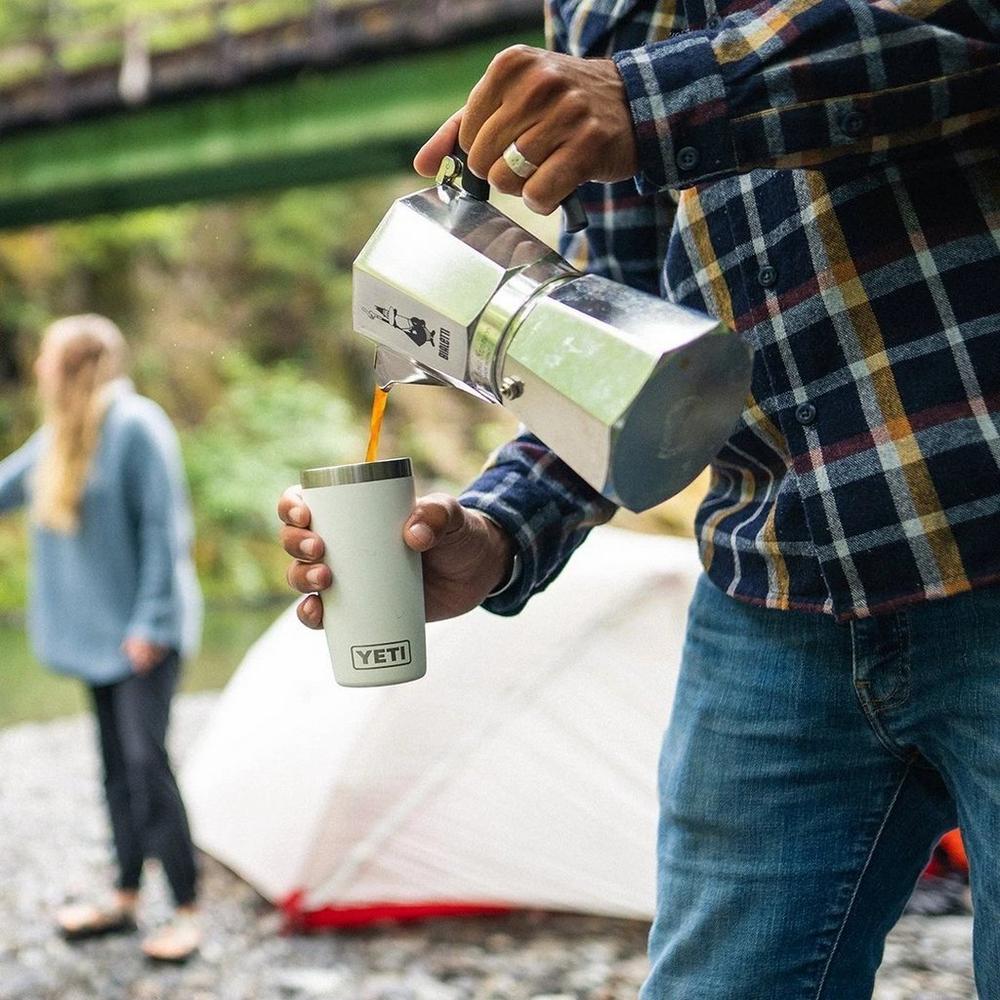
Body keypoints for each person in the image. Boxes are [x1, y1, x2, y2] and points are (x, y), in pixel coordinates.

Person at [280, 1, 1000, 995]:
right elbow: (608, 340)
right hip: (771, 588)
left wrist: (651, 98)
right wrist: (495, 531)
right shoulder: (584, 8)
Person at [0, 315, 203, 963]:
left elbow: (162, 534)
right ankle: (123, 897)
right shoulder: (62, 433)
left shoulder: (137, 425)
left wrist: (149, 624)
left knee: (149, 766)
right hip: (98, 638)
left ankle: (188, 907)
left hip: (145, 636)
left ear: (74, 365)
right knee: (116, 768)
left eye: (47, 358)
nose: (37, 369)